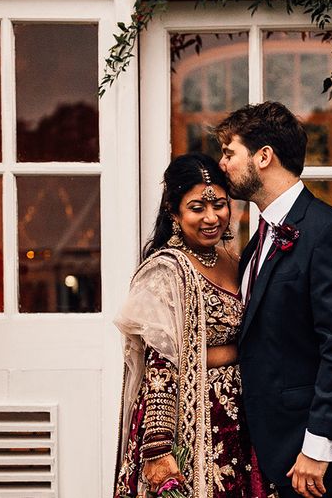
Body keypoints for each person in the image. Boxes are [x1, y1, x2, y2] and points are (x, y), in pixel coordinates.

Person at [215, 102, 332, 498]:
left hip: (316, 458)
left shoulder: (328, 232)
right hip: (277, 447)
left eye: (229, 152)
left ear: (264, 156)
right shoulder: (261, 237)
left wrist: (318, 446)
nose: (222, 164)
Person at [113, 152, 273, 498]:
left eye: (219, 205)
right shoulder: (166, 270)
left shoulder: (235, 260)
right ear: (174, 212)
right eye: (197, 207)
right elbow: (161, 367)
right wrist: (157, 450)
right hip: (188, 422)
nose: (211, 217)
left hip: (240, 421)